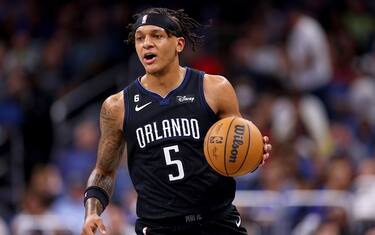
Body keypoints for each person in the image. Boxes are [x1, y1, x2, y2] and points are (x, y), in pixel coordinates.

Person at [81, 7, 272, 235]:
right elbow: (103, 171)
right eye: (140, 38)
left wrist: (253, 154)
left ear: (179, 44)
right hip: (159, 228)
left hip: (217, 221)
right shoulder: (117, 106)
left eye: (157, 36)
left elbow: (238, 147)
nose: (146, 44)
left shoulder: (214, 88)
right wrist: (92, 212)